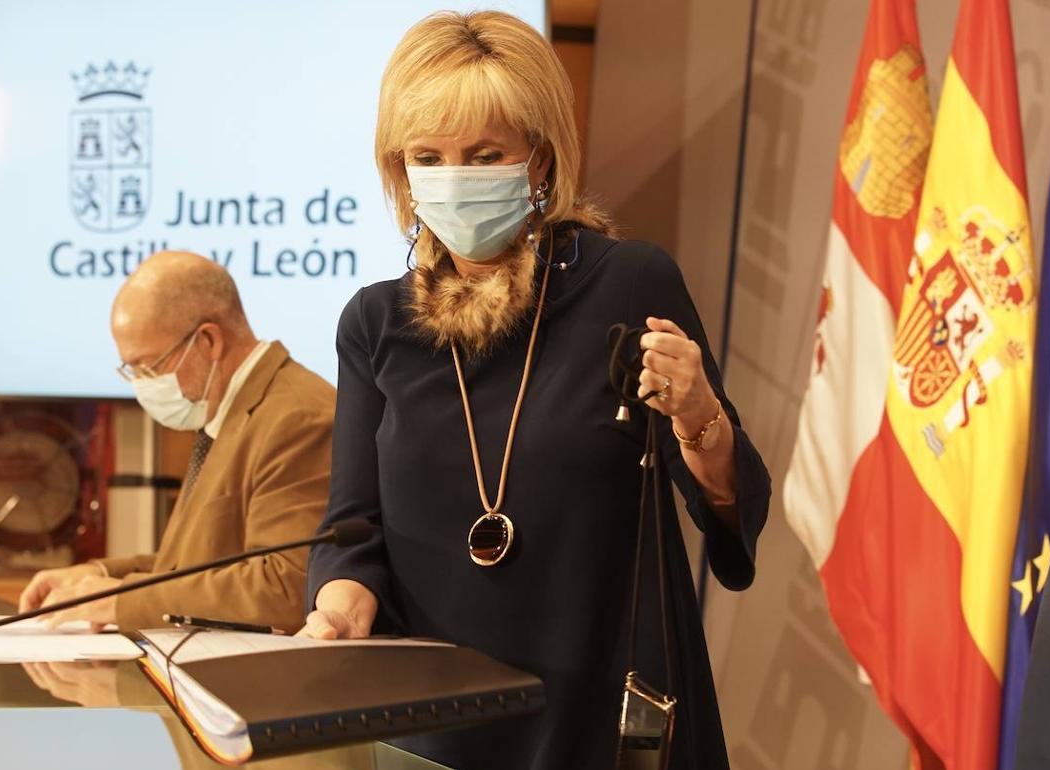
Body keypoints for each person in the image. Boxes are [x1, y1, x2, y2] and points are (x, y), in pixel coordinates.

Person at [301, 11, 772, 770]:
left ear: (540, 161)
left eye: (484, 155)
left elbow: (731, 508)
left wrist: (700, 416)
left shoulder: (628, 283)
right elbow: (351, 533)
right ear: (402, 172)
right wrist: (338, 603)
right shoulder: (374, 323)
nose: (455, 176)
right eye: (429, 156)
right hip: (435, 725)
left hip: (601, 716)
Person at [19, 250, 335, 632]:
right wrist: (97, 576)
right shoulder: (228, 410)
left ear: (207, 342)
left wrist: (118, 600)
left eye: (148, 366)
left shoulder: (295, 418)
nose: (141, 384)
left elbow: (284, 585)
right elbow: (194, 565)